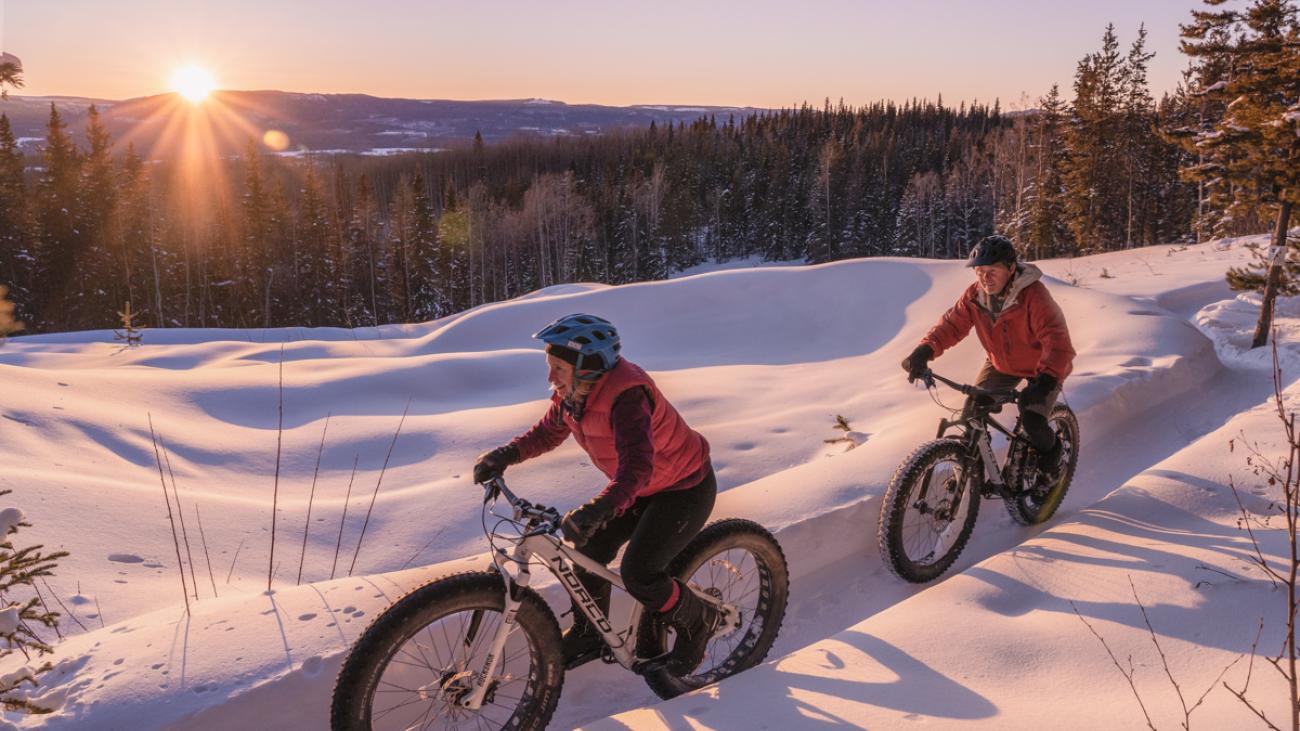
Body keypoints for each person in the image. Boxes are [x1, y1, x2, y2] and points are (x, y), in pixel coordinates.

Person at [473, 313, 719, 676]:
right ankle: (591, 634)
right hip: (639, 489)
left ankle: (700, 621)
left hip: (684, 488)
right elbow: (547, 433)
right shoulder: (574, 394)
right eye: (549, 366)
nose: (550, 378)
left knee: (640, 574)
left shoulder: (627, 397)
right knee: (588, 549)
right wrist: (505, 455)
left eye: (558, 368)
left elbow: (637, 467)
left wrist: (599, 508)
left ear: (586, 367)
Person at [900, 235, 1076, 486]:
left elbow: (1058, 342)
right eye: (979, 271)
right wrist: (926, 349)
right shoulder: (975, 296)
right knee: (973, 412)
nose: (984, 278)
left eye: (992, 271)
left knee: (1033, 419)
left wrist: (1047, 381)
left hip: (1042, 367)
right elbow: (952, 324)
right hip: (1001, 364)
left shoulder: (1034, 296)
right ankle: (969, 473)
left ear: (1011, 269)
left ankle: (1053, 460)